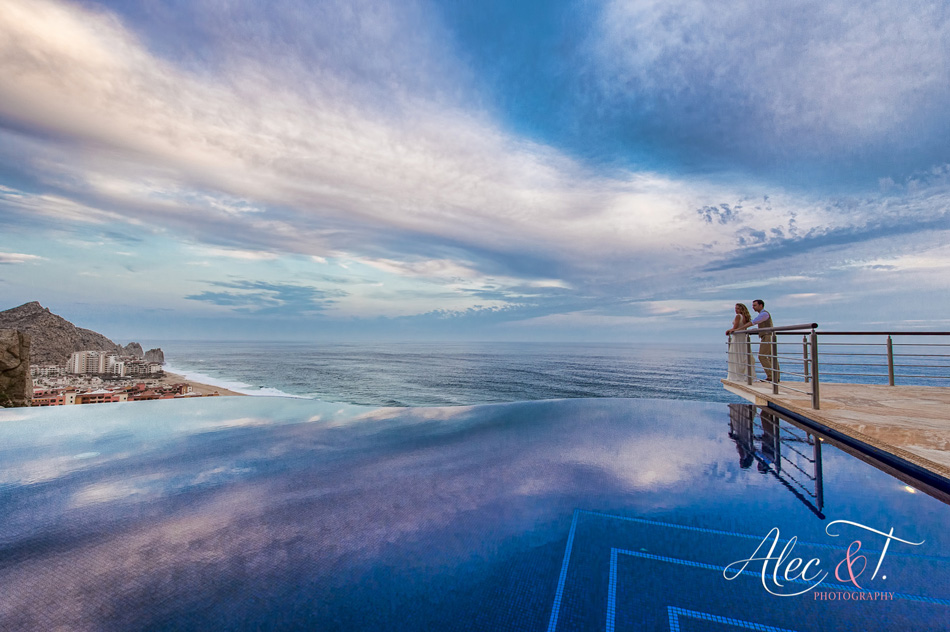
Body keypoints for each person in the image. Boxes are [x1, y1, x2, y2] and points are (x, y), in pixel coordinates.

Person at [727, 299, 780, 383]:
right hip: (766, 336)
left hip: (767, 336)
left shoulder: (764, 314)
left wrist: (739, 329)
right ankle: (775, 376)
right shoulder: (761, 314)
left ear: (761, 305)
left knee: (762, 356)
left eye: (755, 305)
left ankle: (771, 376)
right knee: (771, 356)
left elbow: (753, 322)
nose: (753, 307)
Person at [725, 303, 753, 381]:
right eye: (735, 308)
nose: (735, 310)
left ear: (741, 309)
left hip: (737, 338)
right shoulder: (745, 317)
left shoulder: (738, 316)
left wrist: (728, 330)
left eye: (737, 308)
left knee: (736, 355)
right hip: (743, 337)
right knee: (743, 355)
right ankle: (745, 374)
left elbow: (735, 328)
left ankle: (737, 375)